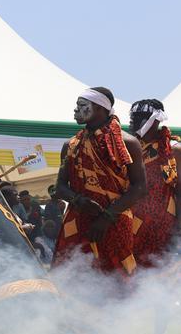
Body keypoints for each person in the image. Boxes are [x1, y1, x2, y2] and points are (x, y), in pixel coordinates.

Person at [53, 87, 147, 277]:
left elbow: (140, 187)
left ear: (100, 108)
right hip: (78, 218)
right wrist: (79, 201)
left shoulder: (128, 143)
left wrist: (106, 218)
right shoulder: (70, 145)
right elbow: (60, 187)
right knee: (72, 276)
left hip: (114, 220)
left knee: (115, 278)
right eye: (77, 106)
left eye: (82, 106)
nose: (76, 110)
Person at [127, 99, 181, 334]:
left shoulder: (176, 150)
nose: (133, 123)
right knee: (124, 281)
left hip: (164, 227)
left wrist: (180, 228)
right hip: (131, 225)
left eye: (139, 118)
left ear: (156, 119)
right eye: (132, 118)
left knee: (164, 285)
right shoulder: (126, 146)